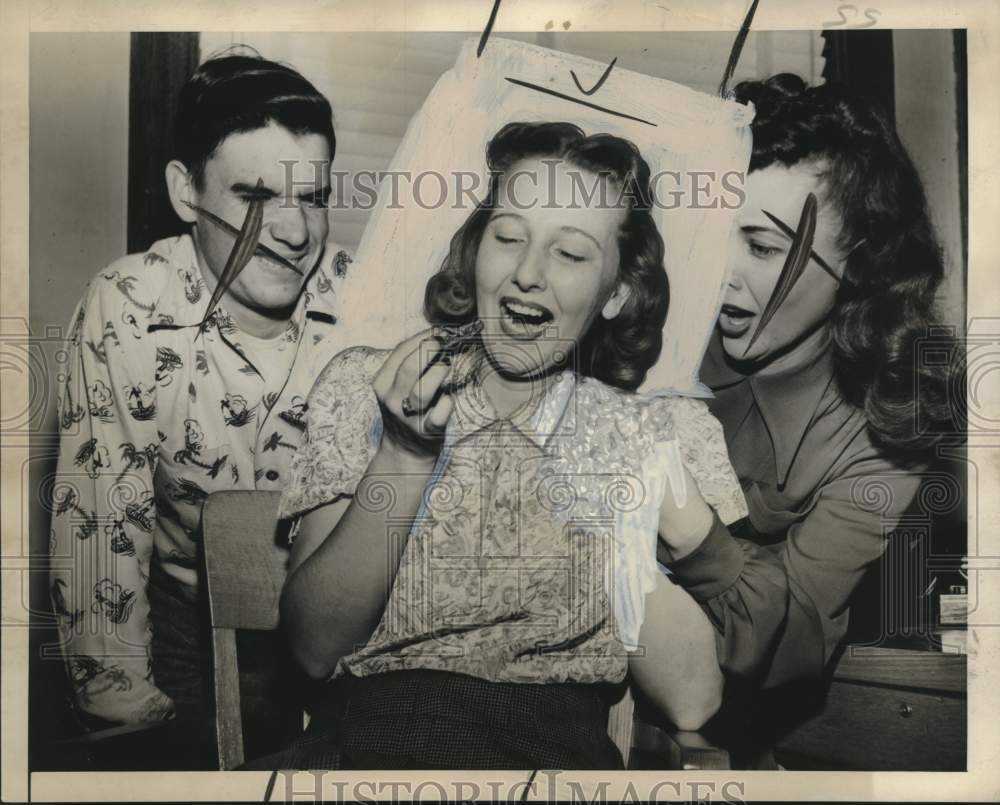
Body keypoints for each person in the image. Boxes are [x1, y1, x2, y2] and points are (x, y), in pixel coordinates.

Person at [264, 121, 749, 770]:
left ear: (618, 292)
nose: (527, 273)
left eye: (571, 254)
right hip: (371, 755)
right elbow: (312, 649)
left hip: (559, 766)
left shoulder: (659, 432)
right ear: (476, 247)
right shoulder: (371, 387)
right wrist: (404, 455)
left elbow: (693, 702)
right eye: (509, 236)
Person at [48, 52, 349, 762]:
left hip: (340, 636)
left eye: (312, 198)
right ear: (187, 193)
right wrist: (126, 721)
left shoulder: (369, 311)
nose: (295, 231)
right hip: (180, 630)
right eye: (254, 196)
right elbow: (100, 519)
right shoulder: (125, 307)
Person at [657, 74, 961, 696]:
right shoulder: (647, 329)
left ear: (859, 267)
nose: (721, 277)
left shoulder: (888, 424)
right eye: (715, 235)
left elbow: (789, 642)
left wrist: (688, 529)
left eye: (763, 248)